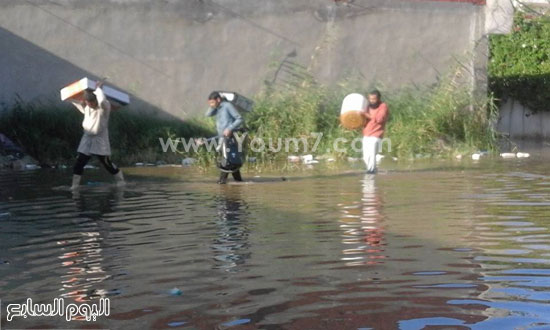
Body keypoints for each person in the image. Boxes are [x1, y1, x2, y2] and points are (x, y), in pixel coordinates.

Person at [69, 80, 124, 189]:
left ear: (96, 101)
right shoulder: (87, 108)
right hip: (87, 138)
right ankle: (74, 186)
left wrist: (99, 88)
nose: (90, 105)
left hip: (100, 139)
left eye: (92, 103)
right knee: (79, 162)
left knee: (106, 163)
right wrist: (71, 94)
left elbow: (102, 100)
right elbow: (76, 102)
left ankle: (121, 182)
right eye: (88, 103)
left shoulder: (104, 108)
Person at [205, 92, 244, 184]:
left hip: (229, 137)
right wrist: (212, 105)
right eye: (210, 103)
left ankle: (222, 182)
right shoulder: (217, 108)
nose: (211, 105)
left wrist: (229, 128)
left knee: (226, 159)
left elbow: (239, 119)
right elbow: (207, 114)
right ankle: (238, 181)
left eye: (212, 102)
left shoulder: (227, 106)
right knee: (231, 159)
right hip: (222, 138)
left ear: (218, 99)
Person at [361, 90, 389, 174]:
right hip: (366, 134)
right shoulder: (367, 107)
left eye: (374, 99)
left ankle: (371, 171)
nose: (372, 101)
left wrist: (367, 115)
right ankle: (372, 170)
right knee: (366, 157)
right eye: (370, 99)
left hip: (376, 134)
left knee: (371, 153)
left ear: (378, 99)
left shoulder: (383, 106)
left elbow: (379, 119)